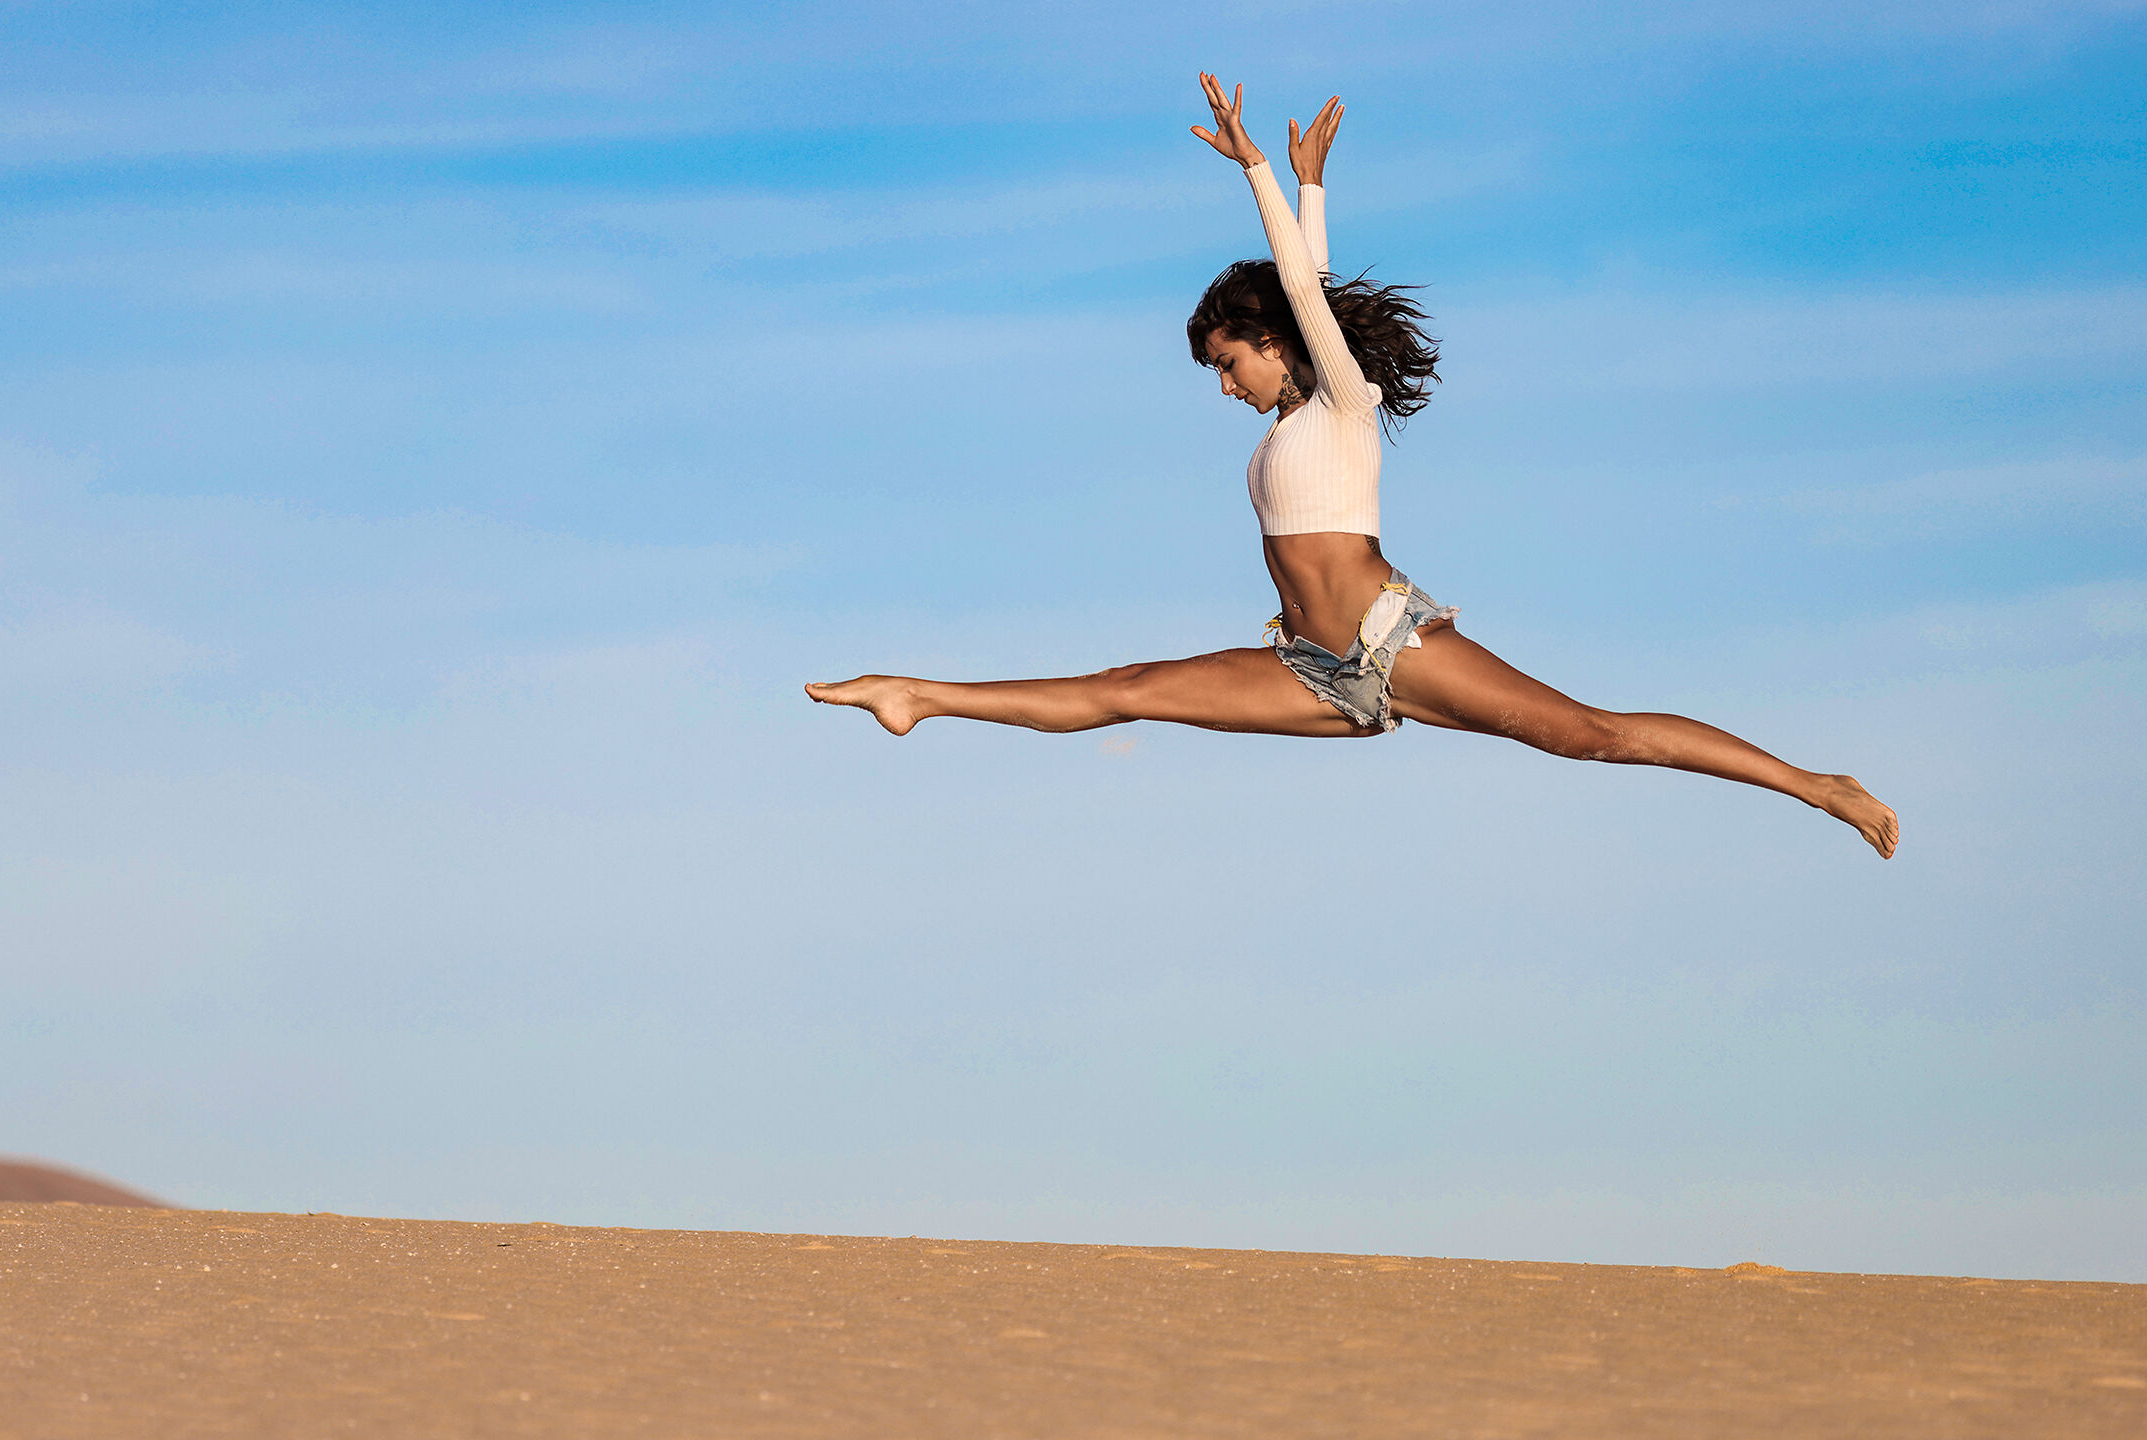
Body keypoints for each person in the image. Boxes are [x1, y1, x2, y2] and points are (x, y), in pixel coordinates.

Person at [807, 74, 1900, 859]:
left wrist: (1260, 178)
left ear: (1271, 342)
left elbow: (1304, 295)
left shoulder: (1342, 403)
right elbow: (1310, 294)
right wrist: (1313, 189)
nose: (1222, 384)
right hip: (1310, 670)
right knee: (1128, 690)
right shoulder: (1298, 418)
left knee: (1591, 736)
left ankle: (1814, 784)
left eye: (1227, 360)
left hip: (1392, 645)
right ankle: (918, 693)